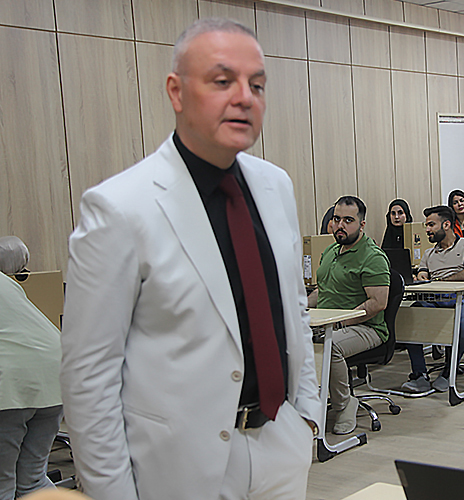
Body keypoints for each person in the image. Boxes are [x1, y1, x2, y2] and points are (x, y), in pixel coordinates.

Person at [60, 19, 320, 500]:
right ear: (176, 92)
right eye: (222, 81)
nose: (244, 97)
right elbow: (89, 377)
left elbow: (293, 310)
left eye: (257, 85)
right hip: (179, 466)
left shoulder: (275, 186)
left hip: (280, 444)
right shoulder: (120, 208)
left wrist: (306, 415)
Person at [307, 196, 390, 435]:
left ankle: (345, 404)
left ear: (361, 224)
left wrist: (339, 322)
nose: (340, 225)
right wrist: (299, 307)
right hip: (328, 324)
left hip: (366, 328)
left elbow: (377, 303)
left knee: (329, 345)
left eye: (348, 220)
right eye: (336, 219)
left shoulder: (372, 257)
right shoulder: (330, 251)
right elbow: (322, 290)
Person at [0, 239, 62, 500]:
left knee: (3, 483)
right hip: (55, 375)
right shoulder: (7, 283)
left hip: (12, 383)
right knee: (32, 480)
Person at [400, 206, 464, 392]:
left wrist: (438, 280)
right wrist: (420, 279)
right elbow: (423, 275)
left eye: (431, 225)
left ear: (446, 225)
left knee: (461, 325)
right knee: (410, 318)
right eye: (427, 225)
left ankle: (449, 371)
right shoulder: (429, 254)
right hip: (435, 298)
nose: (427, 230)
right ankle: (420, 375)